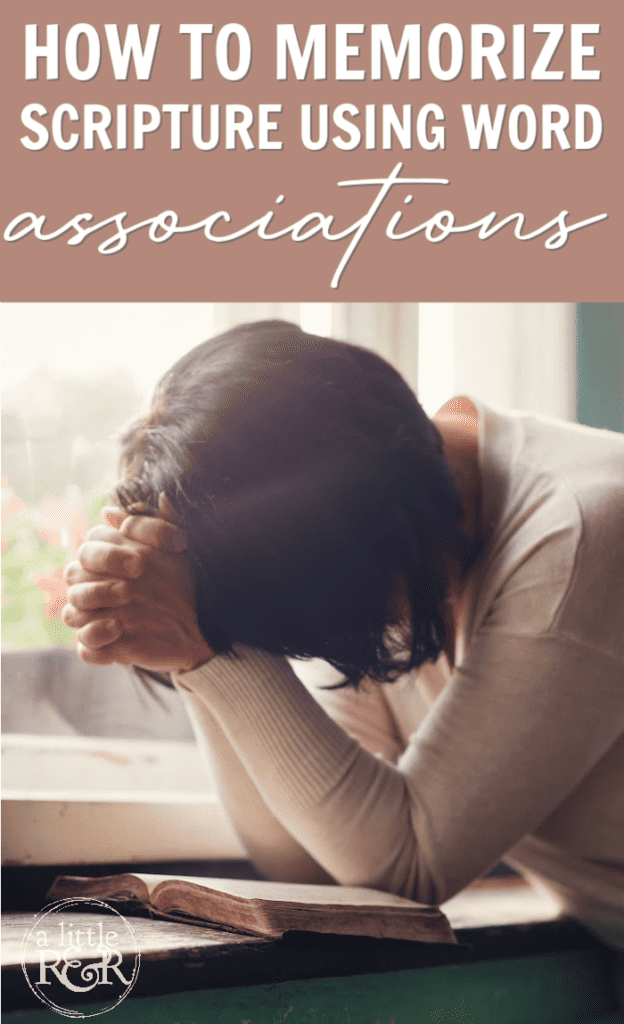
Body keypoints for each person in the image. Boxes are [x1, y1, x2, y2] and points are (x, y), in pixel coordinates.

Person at [63, 320, 624, 956]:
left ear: (377, 524)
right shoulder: (398, 528)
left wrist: (205, 648)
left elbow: (408, 869)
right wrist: (188, 635)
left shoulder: (581, 532)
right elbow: (313, 858)